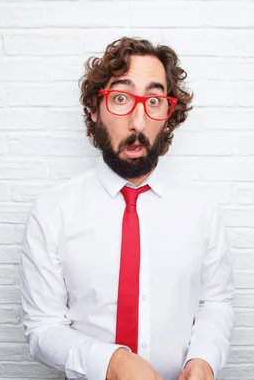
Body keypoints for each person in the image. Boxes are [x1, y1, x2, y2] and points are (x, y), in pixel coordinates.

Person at [20, 37, 235, 380]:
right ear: (94, 108)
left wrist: (205, 359)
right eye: (121, 98)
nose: (138, 122)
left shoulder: (202, 210)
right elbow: (43, 328)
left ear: (169, 114)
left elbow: (216, 303)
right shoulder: (52, 212)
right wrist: (112, 363)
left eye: (153, 100)